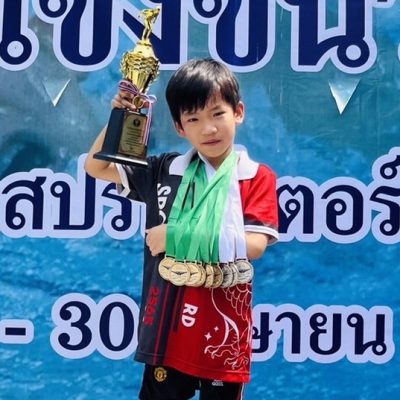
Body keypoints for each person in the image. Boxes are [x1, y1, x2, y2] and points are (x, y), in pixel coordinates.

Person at [85, 58, 279, 400]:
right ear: (179, 127)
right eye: (194, 119)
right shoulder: (163, 170)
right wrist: (120, 116)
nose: (208, 129)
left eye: (217, 114)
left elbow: (254, 245)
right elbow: (96, 167)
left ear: (238, 112)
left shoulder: (255, 176)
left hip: (223, 335)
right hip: (167, 330)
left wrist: (174, 237)